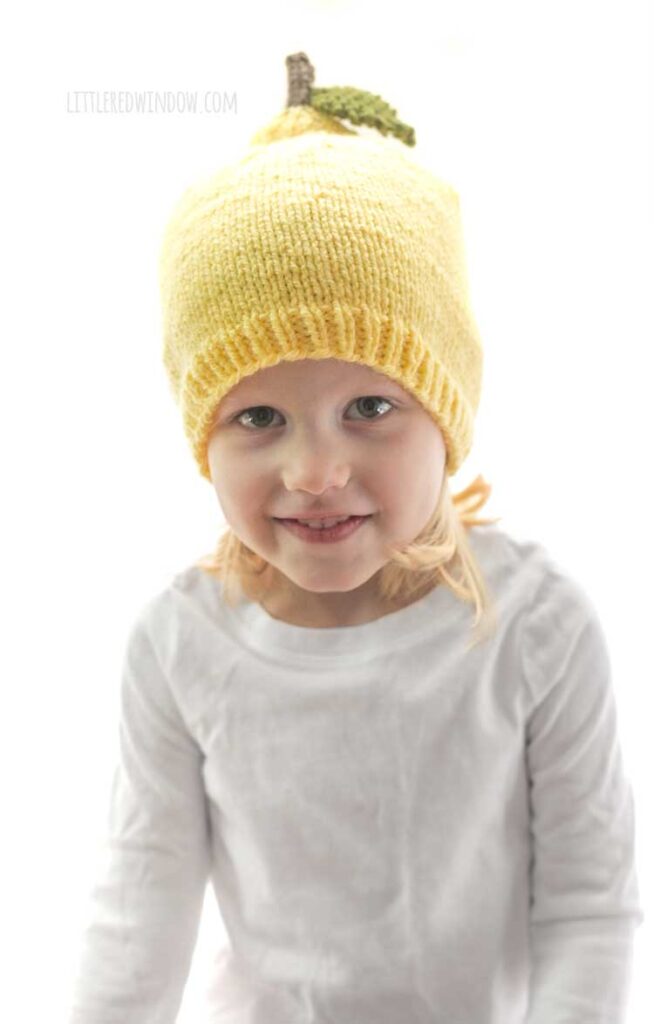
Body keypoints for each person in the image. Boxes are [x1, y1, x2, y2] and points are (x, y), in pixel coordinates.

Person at [67, 52, 644, 1024]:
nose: (315, 471)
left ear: (447, 416)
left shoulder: (533, 623)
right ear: (201, 436)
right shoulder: (179, 643)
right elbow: (140, 907)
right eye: (257, 420)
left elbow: (590, 906)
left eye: (369, 404)